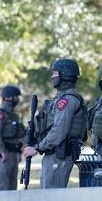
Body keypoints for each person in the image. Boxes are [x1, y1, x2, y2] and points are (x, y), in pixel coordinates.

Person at [22, 58, 87, 189]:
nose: (52, 77)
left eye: (55, 74)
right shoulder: (61, 98)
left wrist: (37, 148)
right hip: (54, 154)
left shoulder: (67, 100)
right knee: (47, 195)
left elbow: (59, 131)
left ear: (64, 75)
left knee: (52, 198)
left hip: (60, 155)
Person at [0, 85, 25, 191]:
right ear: (8, 97)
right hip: (3, 155)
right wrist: (3, 151)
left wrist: (19, 153)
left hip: (13, 154)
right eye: (15, 97)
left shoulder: (13, 115)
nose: (17, 99)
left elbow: (19, 135)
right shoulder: (0, 114)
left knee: (12, 186)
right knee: (2, 186)